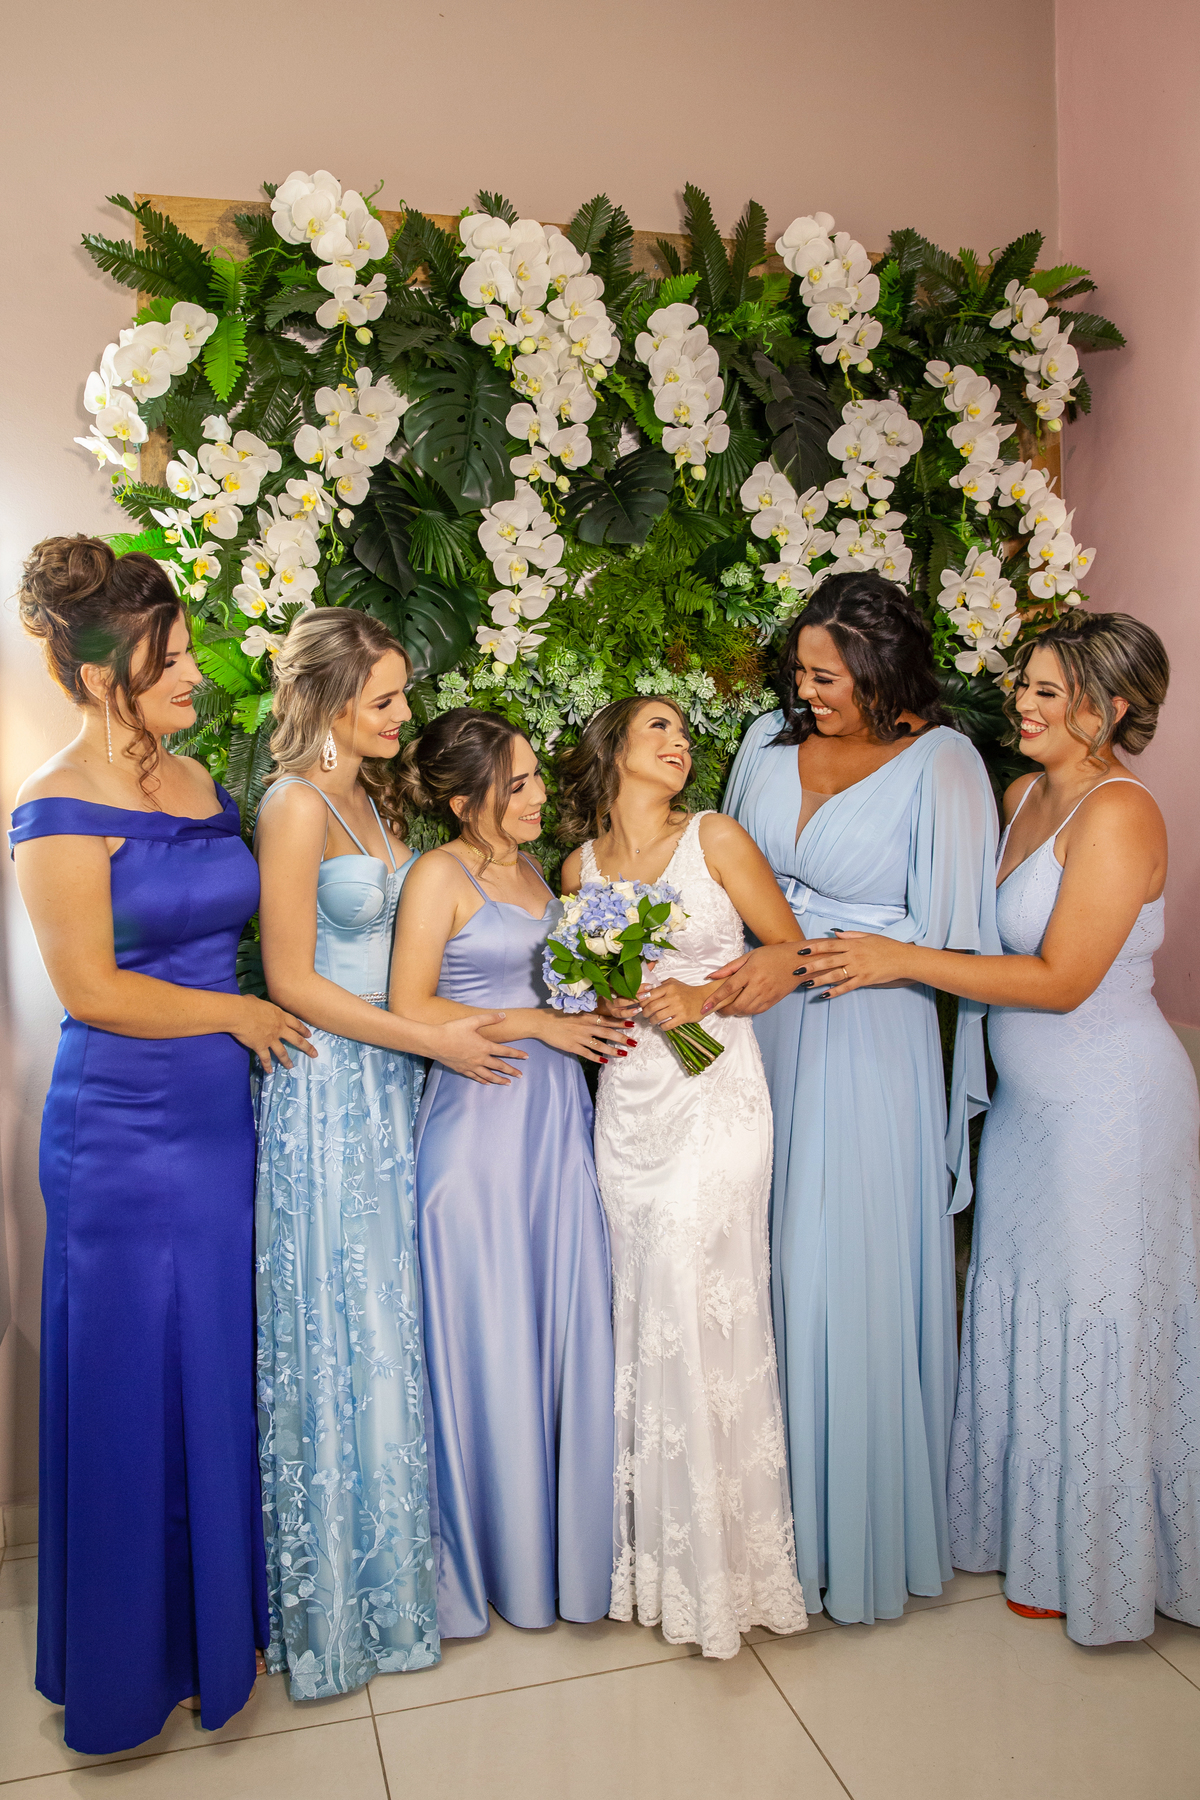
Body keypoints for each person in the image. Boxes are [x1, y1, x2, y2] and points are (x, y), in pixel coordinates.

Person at [795, 609, 1200, 1645]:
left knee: (1097, 1321)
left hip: (1111, 1106)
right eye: (1023, 684)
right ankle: (1038, 1544)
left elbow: (1061, 980)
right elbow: (949, 908)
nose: (1022, 703)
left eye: (1048, 693)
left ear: (1109, 711)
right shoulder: (1021, 795)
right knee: (1028, 1308)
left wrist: (896, 962)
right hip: (1027, 1112)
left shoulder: (1121, 815)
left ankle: (1111, 1569)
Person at [9, 536, 314, 1753]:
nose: (197, 673)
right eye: (168, 659)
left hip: (215, 1123)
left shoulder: (199, 782)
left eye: (188, 649)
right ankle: (128, 1670)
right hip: (120, 1135)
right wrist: (241, 1013)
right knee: (133, 1388)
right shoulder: (50, 804)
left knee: (212, 1368)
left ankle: (210, 1646)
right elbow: (88, 988)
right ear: (97, 675)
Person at [714, 570, 1000, 1626]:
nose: (807, 688)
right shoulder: (762, 746)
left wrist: (888, 955)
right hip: (761, 1024)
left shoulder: (945, 766)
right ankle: (757, 1530)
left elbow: (965, 943)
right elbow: (723, 889)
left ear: (880, 668)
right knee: (760, 1256)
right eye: (799, 669)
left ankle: (854, 1536)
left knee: (844, 1268)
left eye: (826, 674)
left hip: (870, 1033)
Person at [253, 616, 525, 1696]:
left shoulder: (375, 799)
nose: (403, 717)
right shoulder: (293, 807)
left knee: (388, 1328)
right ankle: (337, 1612)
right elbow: (289, 978)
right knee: (339, 1327)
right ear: (325, 702)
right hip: (326, 1087)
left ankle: (397, 1584)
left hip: (391, 1085)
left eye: (403, 697)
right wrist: (430, 1039)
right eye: (384, 702)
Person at [557, 697, 809, 1659]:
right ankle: (656, 1562)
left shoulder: (716, 838)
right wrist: (602, 992)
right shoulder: (579, 867)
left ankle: (732, 1570)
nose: (678, 742)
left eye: (682, 731)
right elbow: (574, 988)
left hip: (716, 1096)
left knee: (707, 1303)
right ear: (612, 748)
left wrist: (703, 992)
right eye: (656, 728)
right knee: (642, 1308)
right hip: (629, 1107)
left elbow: (790, 955)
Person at [390, 709, 625, 1638]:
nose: (536, 797)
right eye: (515, 785)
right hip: (481, 1129)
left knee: (556, 1325)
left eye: (532, 778)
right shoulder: (438, 874)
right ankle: (493, 1565)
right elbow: (410, 1004)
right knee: (491, 1337)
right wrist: (540, 1025)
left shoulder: (535, 869)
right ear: (463, 801)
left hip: (554, 1124)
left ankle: (560, 1559)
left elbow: (558, 988)